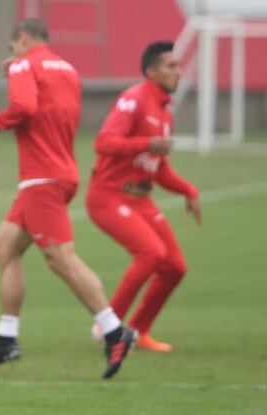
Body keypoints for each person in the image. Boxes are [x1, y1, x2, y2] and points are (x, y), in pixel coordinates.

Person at [0, 19, 135, 379]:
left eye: (13, 48)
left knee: (61, 259)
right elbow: (49, 108)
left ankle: (113, 330)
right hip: (62, 169)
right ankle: (6, 338)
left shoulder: (25, 64)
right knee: (7, 246)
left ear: (22, 40)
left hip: (40, 177)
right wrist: (18, 68)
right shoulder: (67, 70)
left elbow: (26, 106)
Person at [86, 41, 201, 352]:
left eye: (178, 65)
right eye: (171, 66)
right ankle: (107, 327)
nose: (178, 71)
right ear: (151, 72)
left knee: (175, 266)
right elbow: (104, 142)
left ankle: (138, 331)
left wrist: (188, 190)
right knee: (150, 253)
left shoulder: (164, 112)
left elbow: (158, 171)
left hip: (139, 200)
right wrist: (145, 142)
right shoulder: (133, 99)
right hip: (108, 197)